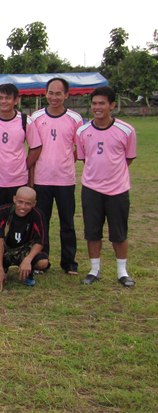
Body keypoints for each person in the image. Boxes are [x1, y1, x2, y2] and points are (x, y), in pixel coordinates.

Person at [0, 83, 42, 268]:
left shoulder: (25, 121)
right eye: (0, 98)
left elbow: (36, 148)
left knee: (14, 220)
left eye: (8, 98)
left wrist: (23, 166)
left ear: (16, 100)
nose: (3, 101)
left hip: (17, 181)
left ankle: (11, 257)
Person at [76, 86, 137, 287]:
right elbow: (85, 159)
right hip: (91, 190)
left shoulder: (126, 130)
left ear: (112, 105)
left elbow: (128, 158)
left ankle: (122, 272)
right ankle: (94, 270)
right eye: (94, 104)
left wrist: (112, 178)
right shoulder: (83, 131)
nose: (97, 107)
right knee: (92, 232)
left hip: (118, 190)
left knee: (118, 233)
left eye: (102, 103)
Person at [30, 77, 83, 275]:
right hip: (41, 179)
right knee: (41, 222)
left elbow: (79, 149)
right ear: (45, 94)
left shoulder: (75, 119)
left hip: (65, 180)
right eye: (51, 93)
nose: (54, 97)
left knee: (67, 222)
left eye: (58, 93)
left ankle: (69, 262)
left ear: (66, 95)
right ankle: (41, 261)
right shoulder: (36, 118)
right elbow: (33, 149)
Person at [0, 186, 49, 290]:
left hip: (24, 250)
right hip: (6, 249)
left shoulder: (38, 215)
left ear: (34, 203)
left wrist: (28, 260)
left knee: (43, 262)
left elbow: (40, 242)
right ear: (14, 199)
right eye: (20, 202)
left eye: (28, 203)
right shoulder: (1, 211)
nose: (23, 207)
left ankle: (28, 272)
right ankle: (3, 269)